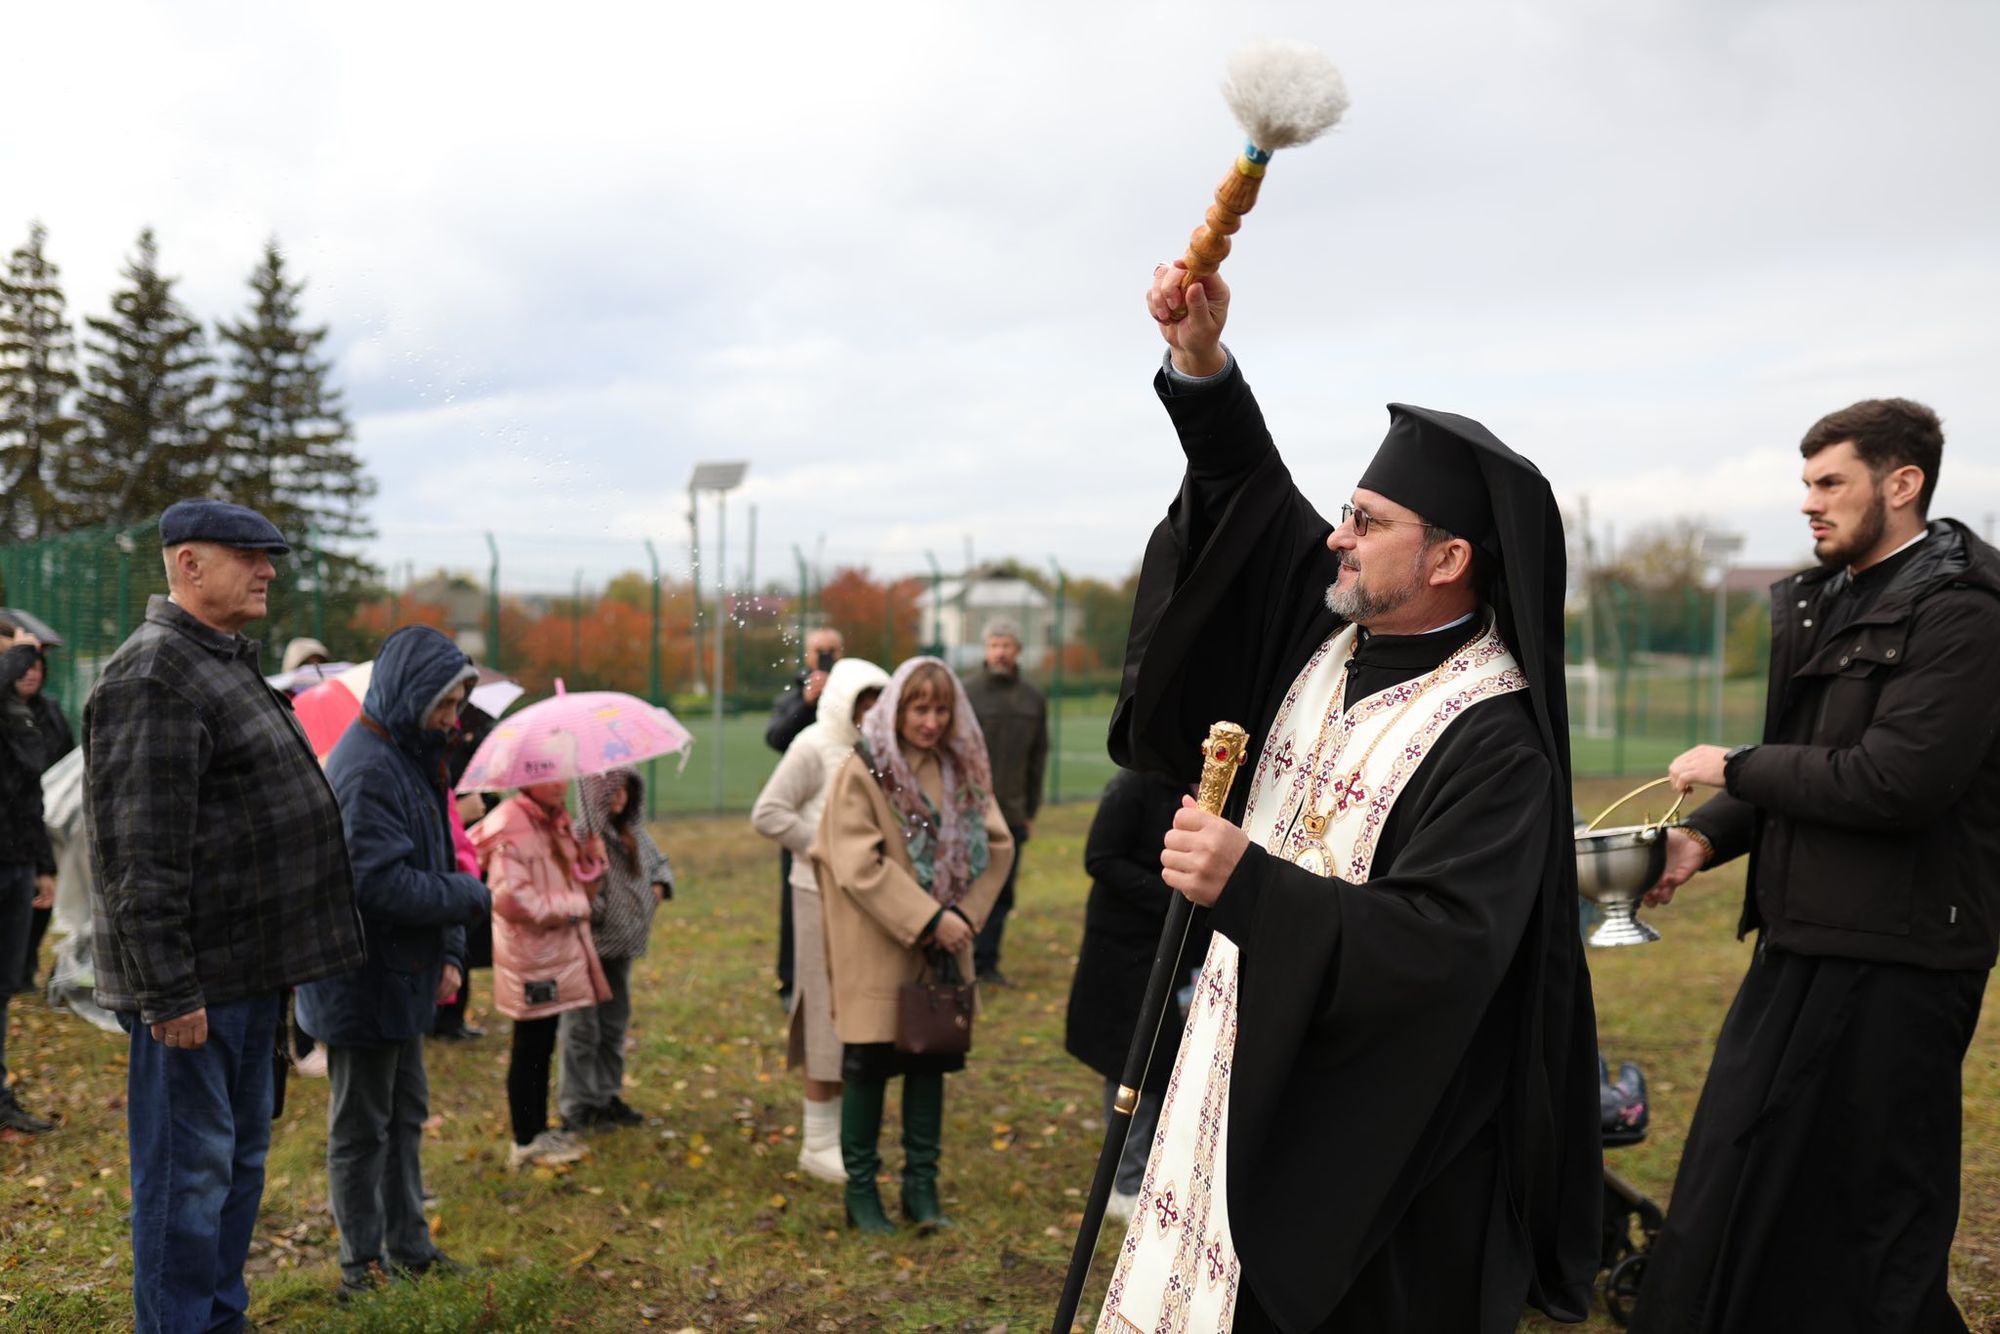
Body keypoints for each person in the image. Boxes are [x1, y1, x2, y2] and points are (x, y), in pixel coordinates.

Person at [1094, 262, 1599, 1332]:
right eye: (1344, 513)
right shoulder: (1327, 630)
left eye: (1367, 521)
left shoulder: (1495, 741)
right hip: (1229, 1050)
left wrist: (1248, 885)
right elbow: (1244, 486)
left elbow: (1446, 944)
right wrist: (1199, 360)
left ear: (1448, 558)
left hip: (1359, 1136)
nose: (1338, 535)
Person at [1632, 398, 2000, 1334]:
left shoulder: (1964, 612)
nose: (1809, 502)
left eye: (1830, 482)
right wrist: (1704, 837)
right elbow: (1807, 757)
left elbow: (1897, 781)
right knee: (1742, 1167)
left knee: (1871, 1202)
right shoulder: (1831, 598)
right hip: (1804, 932)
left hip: (1904, 954)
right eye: (1806, 483)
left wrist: (1734, 766)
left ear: (1903, 482)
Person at [84, 499, 364, 1333]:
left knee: (235, 1166)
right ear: (189, 563)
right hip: (197, 992)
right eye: (249, 554)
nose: (268, 569)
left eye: (269, 555)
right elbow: (138, 858)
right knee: (187, 1180)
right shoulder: (154, 676)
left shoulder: (218, 661)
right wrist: (169, 991)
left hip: (247, 976)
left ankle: (216, 1320)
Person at [294, 626, 490, 1300]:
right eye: (445, 703)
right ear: (412, 693)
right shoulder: (367, 769)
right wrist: (469, 899)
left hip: (405, 976)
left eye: (458, 703)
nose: (453, 718)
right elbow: (376, 884)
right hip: (361, 984)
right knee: (361, 1130)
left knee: (405, 1116)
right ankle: (362, 1266)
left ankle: (409, 1248)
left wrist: (452, 952)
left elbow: (440, 853)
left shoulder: (415, 756)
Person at [814, 657, 1013, 1234]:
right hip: (880, 940)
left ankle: (921, 1190)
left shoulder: (962, 768)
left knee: (931, 1056)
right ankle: (861, 1194)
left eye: (941, 709)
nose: (931, 722)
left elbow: (997, 846)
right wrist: (928, 919)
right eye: (919, 709)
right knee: (869, 1063)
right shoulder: (864, 769)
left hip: (945, 944)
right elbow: (856, 861)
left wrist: (963, 916)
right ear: (896, 710)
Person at [750, 655, 891, 1181]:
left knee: (858, 1013)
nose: (870, 714)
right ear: (843, 702)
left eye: (879, 704)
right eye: (863, 703)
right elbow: (768, 813)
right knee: (822, 1012)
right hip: (816, 895)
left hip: (868, 900)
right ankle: (818, 1141)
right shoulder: (812, 744)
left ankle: (845, 1135)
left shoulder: (882, 750)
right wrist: (825, 848)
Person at [1062, 766, 1207, 1223]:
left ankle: (1156, 1170)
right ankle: (1125, 1182)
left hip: (1189, 949)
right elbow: (1101, 858)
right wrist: (1173, 895)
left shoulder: (1229, 787)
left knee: (1174, 1060)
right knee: (1133, 1062)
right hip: (1127, 950)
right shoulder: (1136, 784)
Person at [471, 779, 611, 1170]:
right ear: (527, 778)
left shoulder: (557, 822)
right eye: (548, 774)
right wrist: (574, 906)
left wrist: (591, 862)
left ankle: (537, 1129)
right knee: (529, 1045)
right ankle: (525, 1139)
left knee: (543, 1041)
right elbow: (510, 898)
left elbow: (576, 885)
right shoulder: (510, 824)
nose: (559, 783)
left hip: (555, 953)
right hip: (531, 957)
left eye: (561, 773)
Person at [561, 767, 673, 1133]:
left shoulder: (634, 835)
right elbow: (575, 892)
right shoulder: (581, 838)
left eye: (626, 789)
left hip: (621, 948)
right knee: (582, 1029)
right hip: (586, 950)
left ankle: (606, 1096)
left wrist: (658, 887)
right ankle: (578, 1104)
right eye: (612, 789)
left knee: (613, 1024)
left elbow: (660, 864)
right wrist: (596, 892)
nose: (620, 797)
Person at [959, 617, 1048, 986]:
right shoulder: (966, 693)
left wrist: (1030, 811)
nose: (1000, 652)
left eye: (1006, 645)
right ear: (985, 649)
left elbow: (1038, 758)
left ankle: (987, 964)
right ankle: (959, 959)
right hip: (969, 813)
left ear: (1018, 651)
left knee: (1002, 890)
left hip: (1012, 813)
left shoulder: (1032, 698)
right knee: (965, 886)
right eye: (994, 645)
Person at [766, 626, 845, 1006]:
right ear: (807, 655)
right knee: (795, 897)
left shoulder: (852, 695)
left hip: (842, 807)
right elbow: (776, 738)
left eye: (832, 650)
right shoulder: (791, 697)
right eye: (818, 650)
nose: (825, 656)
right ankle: (790, 979)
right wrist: (807, 703)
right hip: (801, 813)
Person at [0, 623, 57, 1135]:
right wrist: (17, 651)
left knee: (4, 986)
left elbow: (31, 795)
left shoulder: (24, 715)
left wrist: (44, 866)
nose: (25, 667)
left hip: (17, 864)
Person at [5, 619, 75, 995]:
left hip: (31, 837)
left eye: (37, 665)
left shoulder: (45, 712)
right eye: (23, 665)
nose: (30, 672)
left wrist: (44, 865)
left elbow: (46, 777)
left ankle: (24, 968)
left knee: (37, 903)